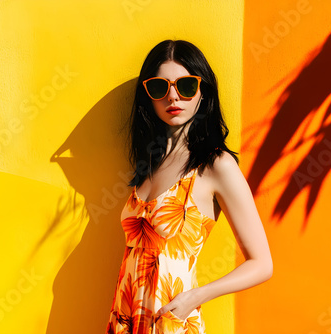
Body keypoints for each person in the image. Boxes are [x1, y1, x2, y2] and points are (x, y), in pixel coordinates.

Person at [106, 39, 273, 334]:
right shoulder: (148, 165)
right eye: (160, 87)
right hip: (128, 321)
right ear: (149, 96)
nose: (173, 97)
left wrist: (196, 297)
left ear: (202, 92)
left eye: (185, 86)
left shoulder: (215, 165)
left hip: (172, 323)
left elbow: (262, 263)